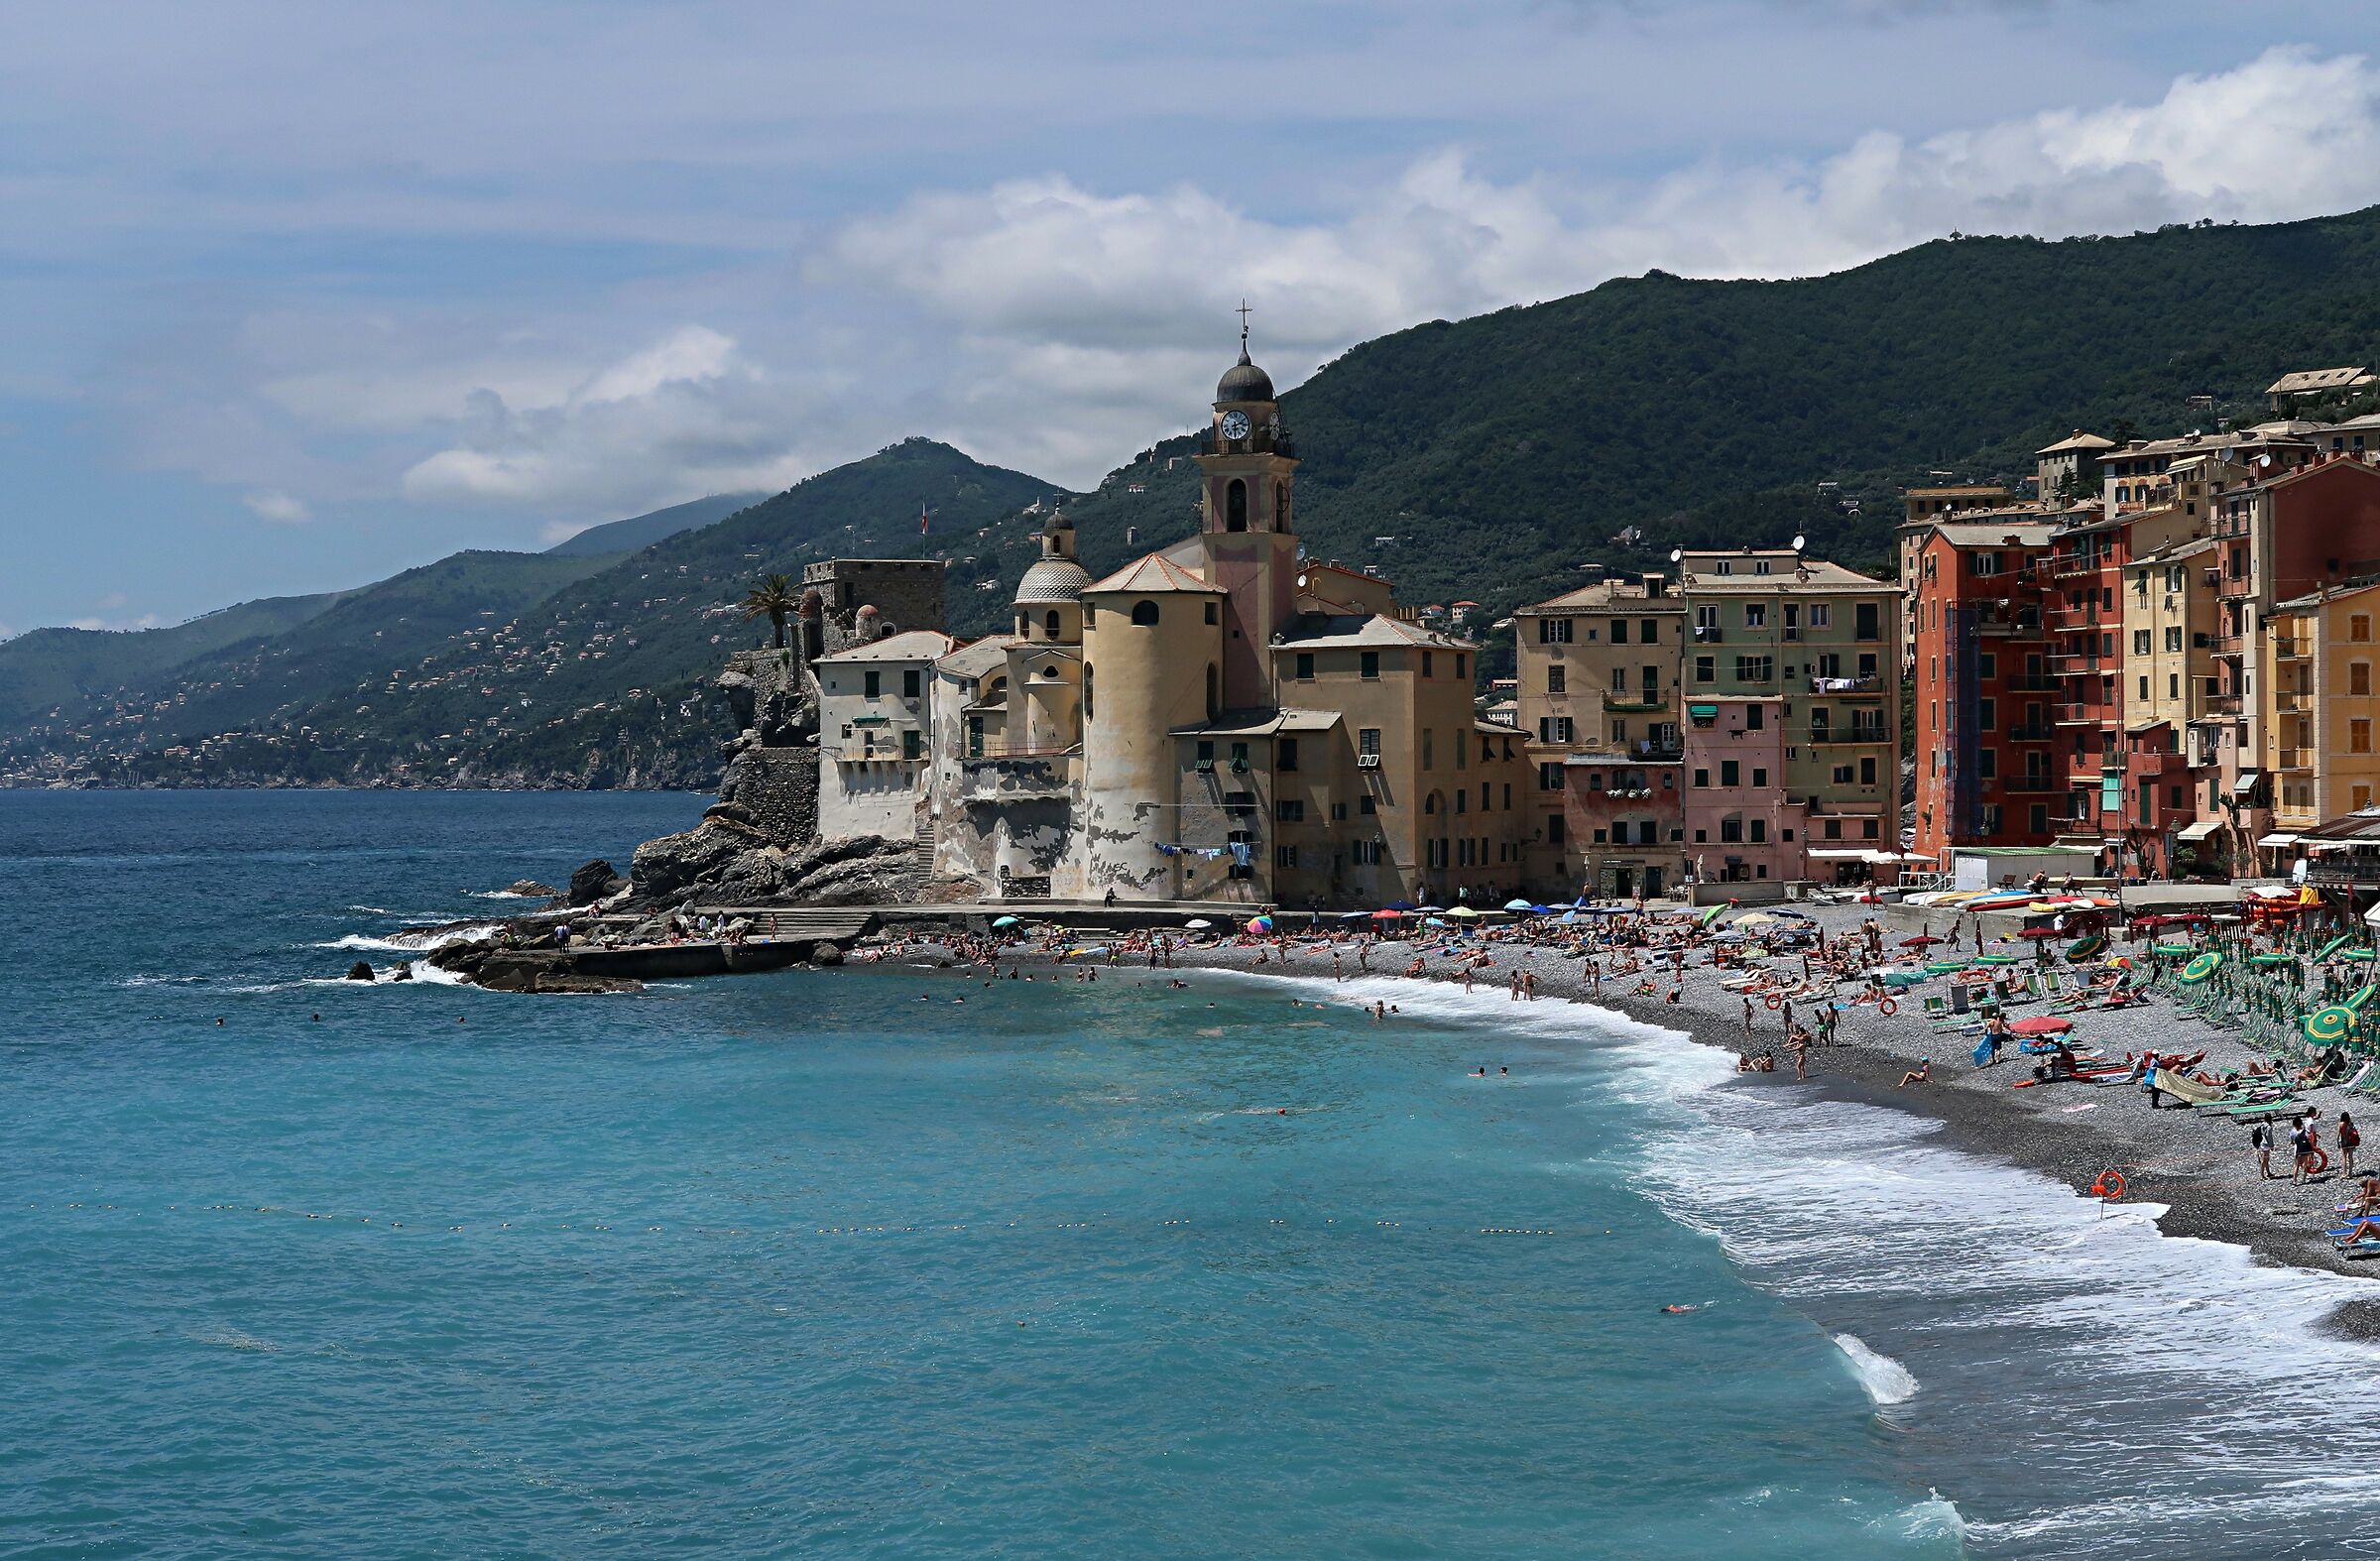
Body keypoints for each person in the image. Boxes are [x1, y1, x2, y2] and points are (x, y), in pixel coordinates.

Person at [2342, 1112, 2363, 1176]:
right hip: (2351, 1142)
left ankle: (2344, 1173)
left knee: (2344, 1157)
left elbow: (2339, 1134)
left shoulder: (2341, 1124)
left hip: (2344, 1141)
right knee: (2350, 1157)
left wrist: (2338, 1141)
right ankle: (2350, 1173)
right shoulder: (2351, 1124)